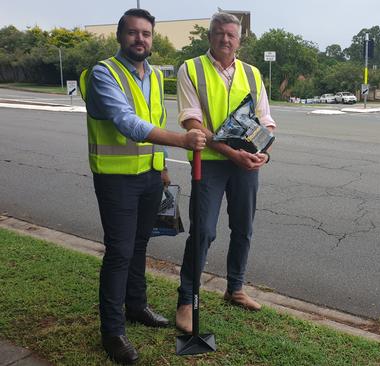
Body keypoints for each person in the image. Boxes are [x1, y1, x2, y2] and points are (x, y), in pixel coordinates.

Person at [79, 8, 206, 365]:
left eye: (146, 34)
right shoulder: (104, 73)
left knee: (138, 246)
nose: (140, 39)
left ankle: (136, 306)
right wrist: (181, 140)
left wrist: (163, 164)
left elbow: (153, 120)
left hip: (150, 175)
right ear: (120, 36)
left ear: (152, 38)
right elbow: (127, 122)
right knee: (119, 251)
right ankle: (113, 331)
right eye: (133, 33)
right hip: (117, 179)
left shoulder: (151, 74)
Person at [174, 12, 276, 333]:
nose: (225, 40)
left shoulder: (252, 73)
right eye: (219, 33)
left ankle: (235, 289)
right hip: (209, 162)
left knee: (243, 227)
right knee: (203, 231)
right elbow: (192, 121)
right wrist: (232, 152)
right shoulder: (191, 69)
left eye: (231, 35)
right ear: (210, 36)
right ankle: (187, 301)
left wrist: (263, 153)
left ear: (239, 40)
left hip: (245, 164)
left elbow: (265, 120)